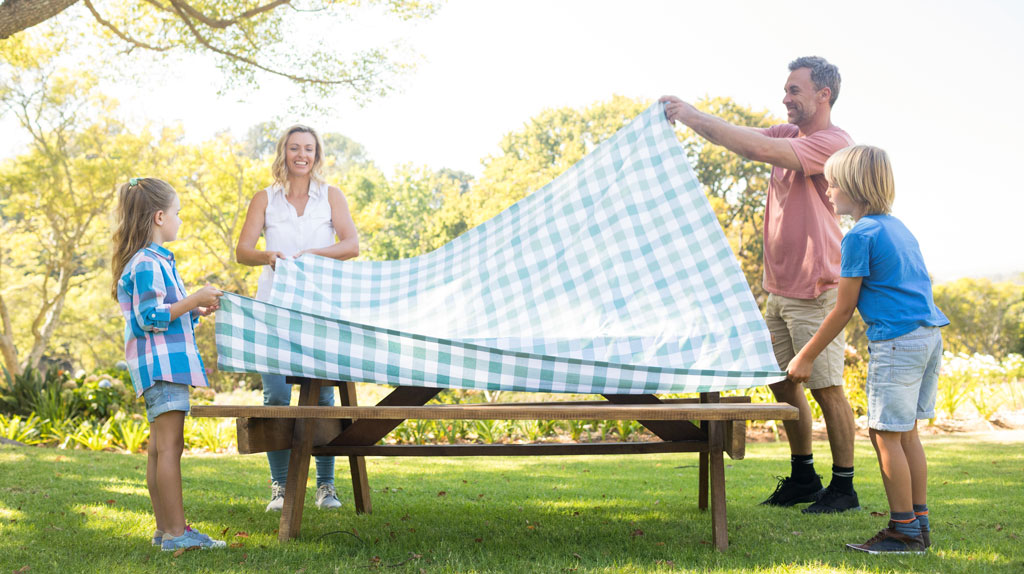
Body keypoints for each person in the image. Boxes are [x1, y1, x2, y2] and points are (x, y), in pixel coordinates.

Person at [661, 56, 860, 512]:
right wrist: (689, 115)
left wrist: (689, 114)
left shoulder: (834, 143)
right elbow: (742, 139)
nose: (785, 98)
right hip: (780, 290)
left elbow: (755, 150)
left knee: (827, 388)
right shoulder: (787, 134)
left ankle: (844, 488)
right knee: (782, 383)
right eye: (786, 90)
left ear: (823, 95)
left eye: (795, 90)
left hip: (819, 289)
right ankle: (804, 477)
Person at [788, 145, 947, 552]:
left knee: (884, 435)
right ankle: (919, 523)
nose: (828, 190)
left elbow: (843, 310)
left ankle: (903, 531)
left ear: (855, 188)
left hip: (896, 341)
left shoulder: (859, 235)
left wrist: (805, 355)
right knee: (905, 432)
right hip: (927, 335)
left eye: (834, 182)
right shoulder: (897, 228)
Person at [236, 124, 359, 512]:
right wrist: (269, 256)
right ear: (283, 152)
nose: (301, 154)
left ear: (317, 154)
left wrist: (311, 256)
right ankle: (281, 487)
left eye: (308, 148)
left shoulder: (331, 196)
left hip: (319, 310)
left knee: (321, 396)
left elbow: (351, 244)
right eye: (294, 148)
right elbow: (242, 250)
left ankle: (326, 486)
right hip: (273, 311)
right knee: (275, 395)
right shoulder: (265, 199)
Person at [112, 177, 227, 551]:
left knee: (159, 449)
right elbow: (149, 317)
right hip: (163, 368)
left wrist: (196, 309)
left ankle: (165, 531)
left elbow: (167, 316)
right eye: (178, 213)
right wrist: (193, 298)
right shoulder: (147, 261)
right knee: (170, 448)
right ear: (160, 217)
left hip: (158, 365)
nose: (180, 220)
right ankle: (178, 534)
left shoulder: (154, 260)